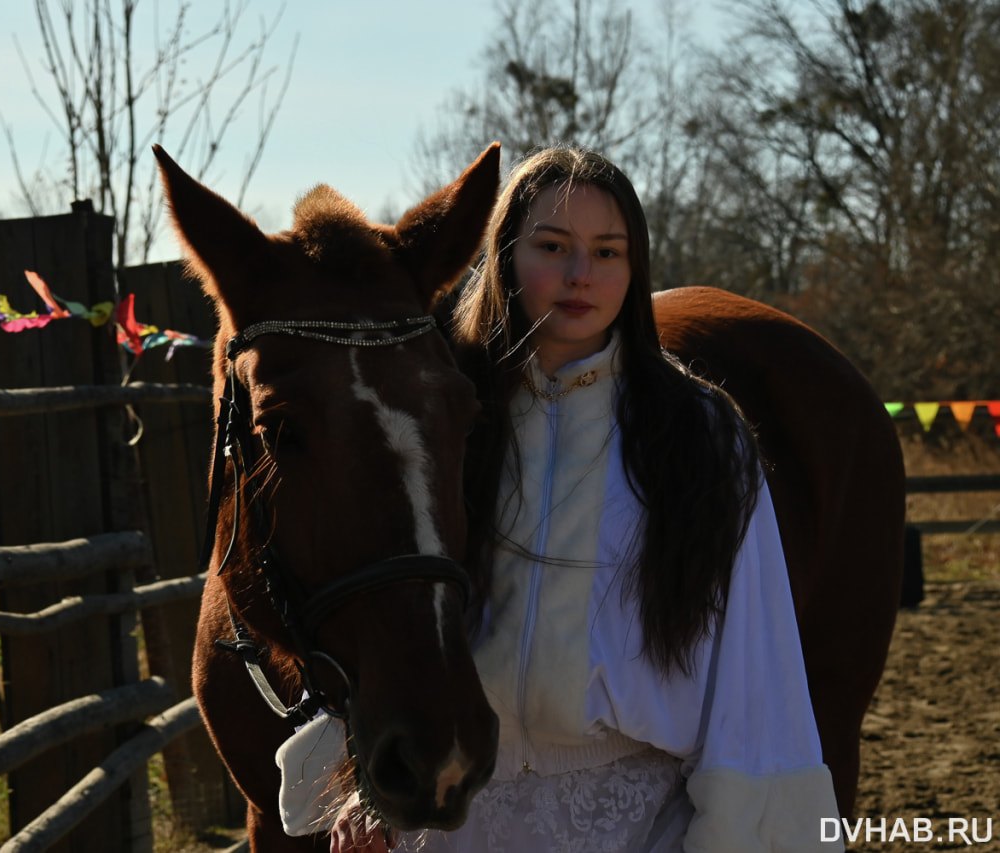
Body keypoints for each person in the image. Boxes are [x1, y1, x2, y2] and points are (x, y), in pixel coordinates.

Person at [276, 146, 843, 852]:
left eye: (608, 252)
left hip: (643, 824)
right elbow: (385, 599)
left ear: (634, 270)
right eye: (553, 246)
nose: (581, 275)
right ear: (506, 254)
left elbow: (753, 668)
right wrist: (365, 778)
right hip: (455, 821)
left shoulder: (702, 437)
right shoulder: (447, 420)